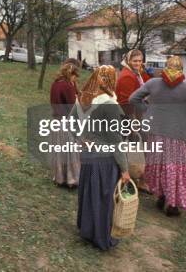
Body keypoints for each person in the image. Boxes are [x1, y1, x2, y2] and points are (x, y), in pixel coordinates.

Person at [129, 56, 186, 216]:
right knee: (176, 167)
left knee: (158, 164)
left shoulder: (153, 83)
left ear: (165, 67)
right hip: (178, 133)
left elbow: (133, 98)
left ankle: (161, 195)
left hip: (155, 131)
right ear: (181, 69)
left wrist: (148, 110)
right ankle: (173, 204)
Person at [76, 65, 129, 250]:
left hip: (90, 155)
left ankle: (88, 231)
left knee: (91, 195)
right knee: (103, 198)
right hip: (104, 159)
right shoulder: (110, 105)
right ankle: (101, 237)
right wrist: (124, 169)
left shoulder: (88, 98)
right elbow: (115, 141)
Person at [115, 49, 151, 191]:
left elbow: (148, 85)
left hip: (137, 115)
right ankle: (123, 177)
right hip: (128, 116)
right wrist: (133, 121)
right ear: (129, 60)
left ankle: (143, 178)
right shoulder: (127, 76)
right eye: (135, 61)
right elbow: (125, 101)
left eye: (140, 61)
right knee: (123, 145)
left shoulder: (138, 74)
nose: (137, 63)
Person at [49, 58, 81, 187]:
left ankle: (60, 178)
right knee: (70, 152)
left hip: (56, 121)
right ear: (71, 73)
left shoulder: (56, 83)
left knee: (60, 152)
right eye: (75, 76)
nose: (75, 79)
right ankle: (71, 179)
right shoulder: (67, 86)